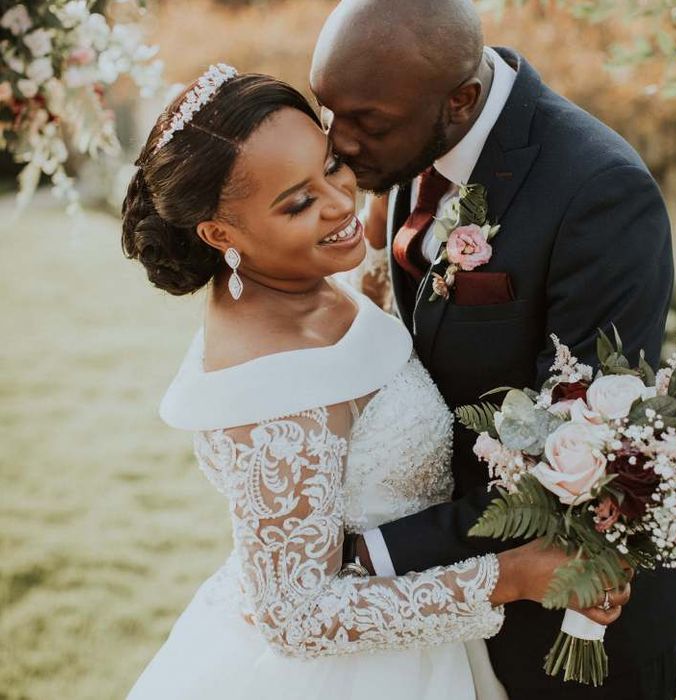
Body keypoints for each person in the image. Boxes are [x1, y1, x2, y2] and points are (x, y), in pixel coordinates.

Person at [122, 69, 629, 700]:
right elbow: (297, 618)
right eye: (299, 203)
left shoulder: (295, 282)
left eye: (331, 165)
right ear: (221, 235)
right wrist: (512, 576)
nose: (340, 203)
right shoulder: (274, 382)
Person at [310, 1, 676, 698]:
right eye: (326, 110)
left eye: (367, 122)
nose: (337, 142)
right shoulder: (410, 137)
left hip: (569, 616)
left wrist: (377, 552)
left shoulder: (599, 192)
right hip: (446, 616)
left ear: (461, 101)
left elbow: (575, 452)